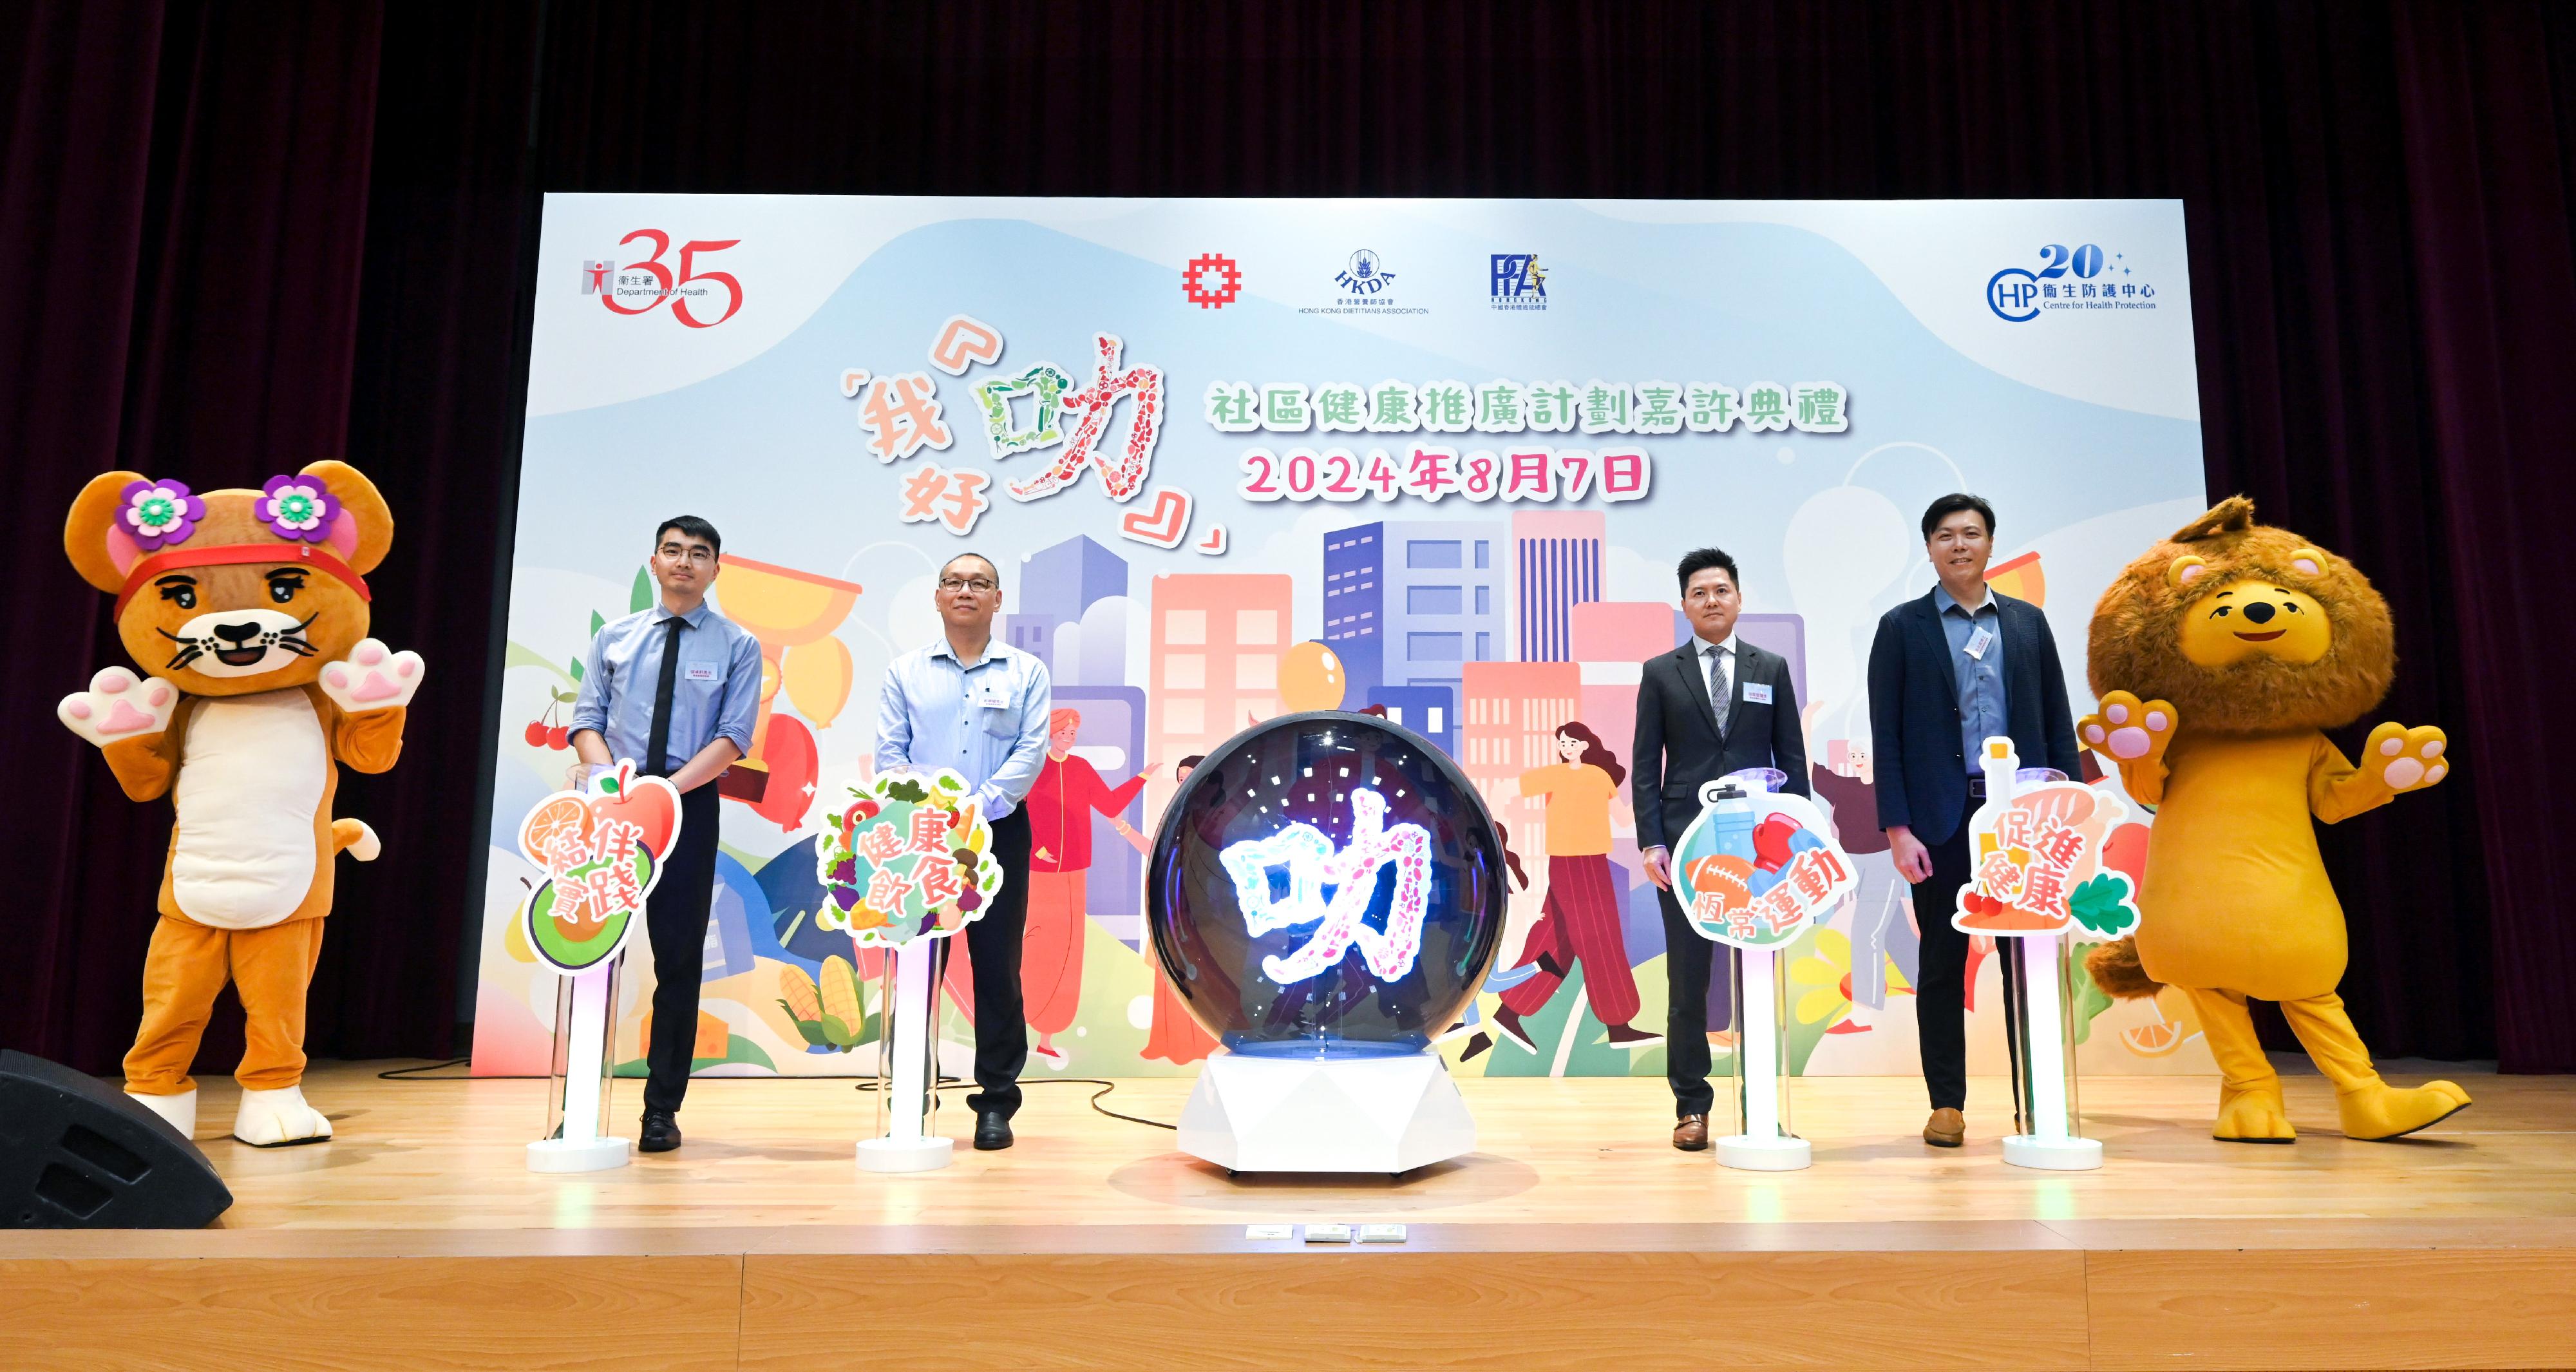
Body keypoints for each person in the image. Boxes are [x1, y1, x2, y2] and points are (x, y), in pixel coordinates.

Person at [1866, 493, 2080, 1148]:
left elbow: (2056, 720)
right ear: (1928, 549)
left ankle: (2037, 1095)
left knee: (2028, 957)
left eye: (1971, 534)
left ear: (1990, 543)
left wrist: (2064, 811)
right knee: (1940, 961)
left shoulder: (2026, 624)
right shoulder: (1902, 628)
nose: (1959, 546)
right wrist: (1898, 830)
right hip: (1940, 819)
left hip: (2019, 818)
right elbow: (1889, 737)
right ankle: (1946, 1105)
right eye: (1945, 537)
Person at [566, 516, 762, 1154]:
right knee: (591, 952)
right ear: (654, 562)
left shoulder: (738, 645)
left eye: (698, 554)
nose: (684, 562)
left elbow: (733, 737)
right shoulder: (615, 639)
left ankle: (661, 1110)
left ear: (715, 569)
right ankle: (580, 1106)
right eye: (673, 551)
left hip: (687, 805)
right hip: (613, 807)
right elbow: (587, 720)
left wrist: (668, 794)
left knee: (678, 960)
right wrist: (612, 783)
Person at [1633, 548, 1809, 1152]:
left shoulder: (1772, 668)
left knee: (1758, 973)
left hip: (1760, 849)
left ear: (1739, 598)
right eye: (1700, 593)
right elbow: (1643, 767)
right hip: (1686, 849)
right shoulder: (1661, 672)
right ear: (1684, 605)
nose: (1712, 601)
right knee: (1688, 984)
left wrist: (1799, 836)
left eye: (1722, 590)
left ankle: (1763, 1101)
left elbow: (1792, 761)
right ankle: (1692, 1107)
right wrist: (1652, 841)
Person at [874, 552, 1049, 1150]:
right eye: (954, 582)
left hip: (998, 833)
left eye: (979, 583)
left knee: (996, 968)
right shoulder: (906, 672)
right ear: (938, 597)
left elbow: (1030, 753)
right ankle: (910, 1095)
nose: (966, 591)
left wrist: (977, 809)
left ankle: (995, 1102)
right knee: (921, 967)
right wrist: (933, 815)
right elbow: (890, 754)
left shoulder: (1027, 672)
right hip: (920, 837)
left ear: (998, 599)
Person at [1492, 723, 1660, 1053]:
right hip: (1574, 863)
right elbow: (1504, 791)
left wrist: (1653, 798)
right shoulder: (1554, 775)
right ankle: (1618, 1024)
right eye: (1561, 742)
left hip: (1590, 860)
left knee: (1556, 940)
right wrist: (1497, 829)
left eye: (1571, 742)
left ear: (1585, 745)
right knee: (1601, 937)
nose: (1565, 746)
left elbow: (1625, 820)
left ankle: (1509, 1011)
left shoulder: (1600, 777)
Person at [1016, 707, 1154, 1063]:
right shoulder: (1032, 768)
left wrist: (1141, 777)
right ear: (1052, 731)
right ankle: (1018, 1025)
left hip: (1075, 873)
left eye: (1074, 731)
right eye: (1065, 730)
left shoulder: (1079, 769)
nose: (1070, 736)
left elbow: (1109, 805)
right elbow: (1014, 812)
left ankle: (1048, 1034)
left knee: (1067, 951)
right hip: (1038, 873)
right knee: (1036, 945)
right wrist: (1036, 847)